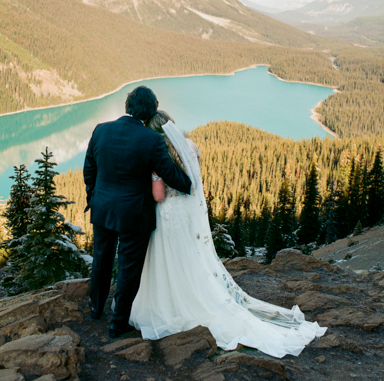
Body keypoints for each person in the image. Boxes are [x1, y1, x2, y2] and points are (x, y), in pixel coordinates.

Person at [130, 111, 327, 358]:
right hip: (187, 214)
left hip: (168, 215)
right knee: (190, 259)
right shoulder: (189, 146)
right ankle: (195, 294)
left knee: (170, 261)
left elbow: (158, 195)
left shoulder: (157, 155)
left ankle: (174, 302)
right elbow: (195, 181)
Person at [83, 87, 192, 339]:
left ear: (127, 105)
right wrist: (191, 185)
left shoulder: (100, 129)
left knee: (102, 259)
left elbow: (89, 168)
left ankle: (95, 309)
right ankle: (118, 323)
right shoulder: (151, 139)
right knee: (128, 269)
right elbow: (168, 172)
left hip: (103, 209)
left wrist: (94, 197)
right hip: (134, 214)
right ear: (151, 110)